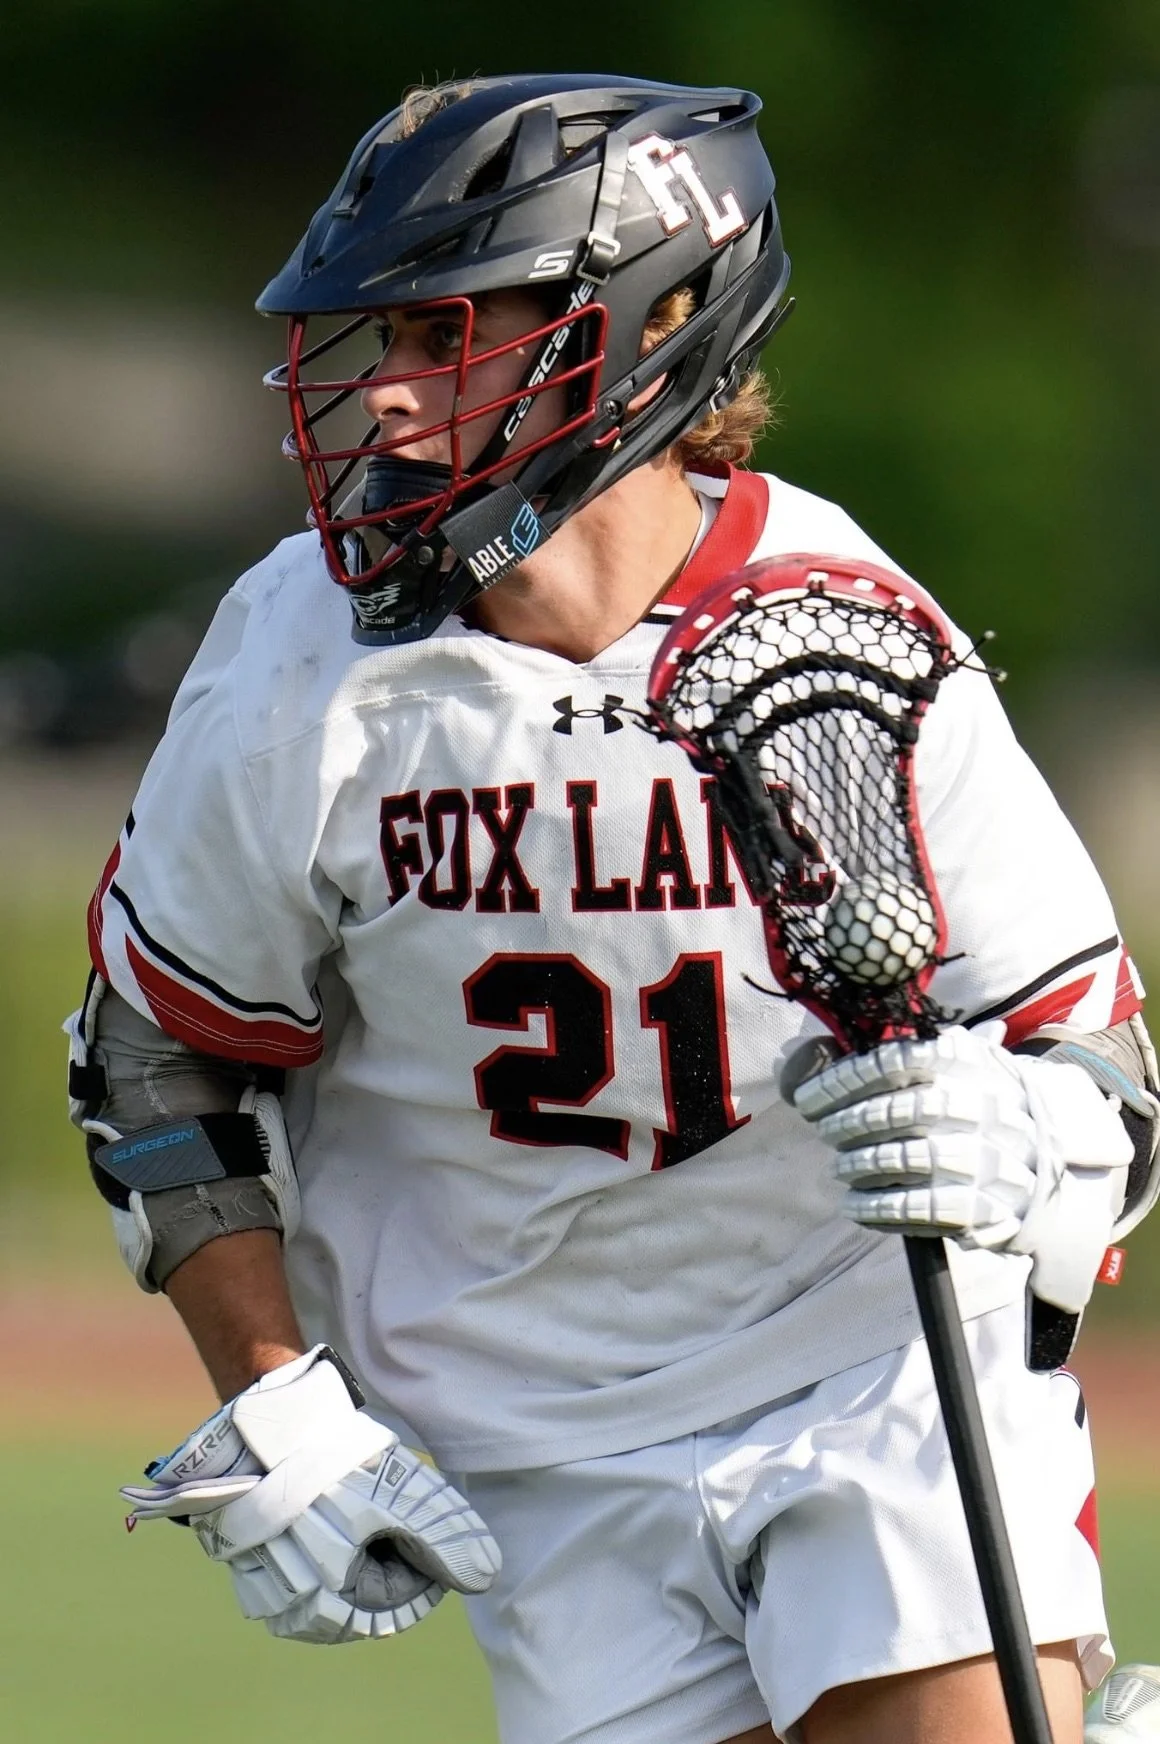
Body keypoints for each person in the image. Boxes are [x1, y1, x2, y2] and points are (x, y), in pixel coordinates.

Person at [67, 74, 1160, 1744]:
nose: (395, 410)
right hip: (538, 1436)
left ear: (645, 332)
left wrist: (1019, 1142)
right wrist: (273, 1396)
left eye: (453, 343)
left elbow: (1104, 1076)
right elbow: (164, 1056)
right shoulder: (301, 658)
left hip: (861, 1365)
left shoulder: (847, 637)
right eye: (378, 351)